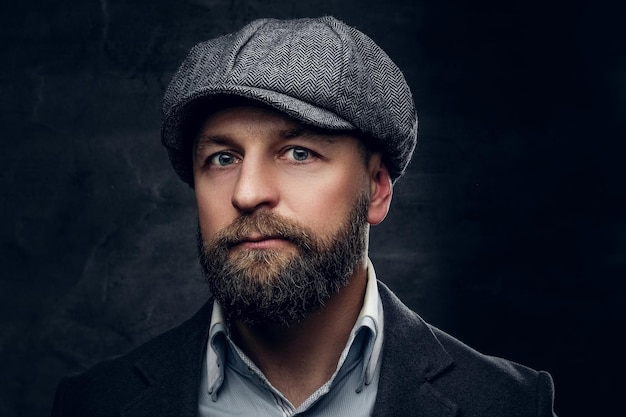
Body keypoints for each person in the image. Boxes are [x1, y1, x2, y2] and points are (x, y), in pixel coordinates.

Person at [51, 16, 557, 416]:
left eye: (298, 153)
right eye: (222, 158)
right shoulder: (93, 404)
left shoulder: (508, 403)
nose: (247, 193)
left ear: (377, 189)